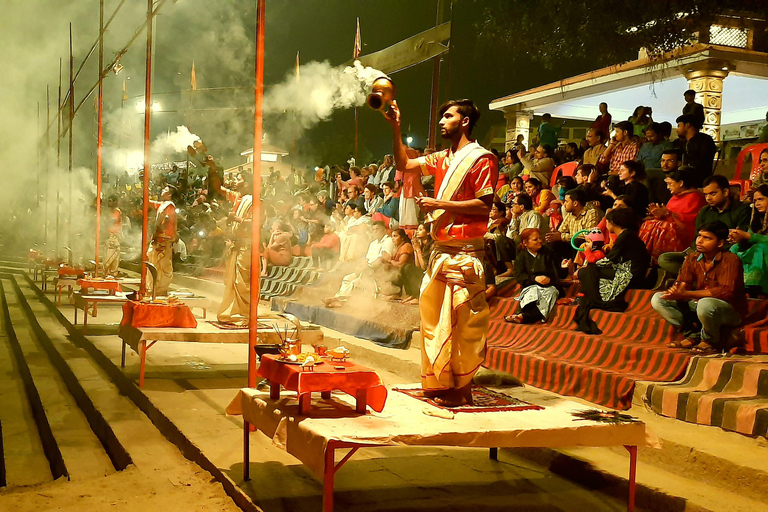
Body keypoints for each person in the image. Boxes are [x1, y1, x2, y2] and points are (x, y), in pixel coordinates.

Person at [383, 97, 497, 407]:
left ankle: (461, 386)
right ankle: (439, 382)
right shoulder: (443, 158)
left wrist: (439, 204)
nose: (442, 121)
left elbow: (484, 205)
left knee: (463, 325)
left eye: (448, 116)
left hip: (466, 256)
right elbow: (404, 165)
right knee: (435, 321)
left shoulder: (481, 159)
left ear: (465, 122)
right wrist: (395, 127)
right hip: (442, 253)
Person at [653, 221, 745, 354]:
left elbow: (725, 292)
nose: (700, 241)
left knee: (705, 303)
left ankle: (710, 341)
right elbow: (683, 283)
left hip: (727, 311)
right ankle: (692, 335)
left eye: (707, 238)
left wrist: (686, 293)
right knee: (658, 299)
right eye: (699, 236)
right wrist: (676, 290)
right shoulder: (692, 258)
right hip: (699, 305)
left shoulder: (730, 260)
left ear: (720, 243)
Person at [572, 208, 650, 334]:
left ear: (612, 222)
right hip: (624, 269)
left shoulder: (625, 236)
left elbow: (609, 260)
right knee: (589, 270)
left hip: (629, 273)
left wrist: (588, 256)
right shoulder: (627, 235)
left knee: (586, 272)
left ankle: (596, 300)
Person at [658, 175, 751, 275]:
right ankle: (698, 276)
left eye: (713, 194)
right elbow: (696, 237)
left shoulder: (742, 209)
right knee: (665, 259)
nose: (708, 198)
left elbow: (739, 239)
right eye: (706, 195)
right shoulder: (705, 211)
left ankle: (698, 277)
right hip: (701, 254)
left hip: (725, 255)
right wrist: (696, 253)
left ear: (725, 192)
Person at [640, 169, 707, 264]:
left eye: (670, 184)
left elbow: (690, 219)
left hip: (685, 231)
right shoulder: (675, 197)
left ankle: (658, 259)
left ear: (681, 183)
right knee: (649, 224)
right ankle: (647, 258)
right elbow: (667, 214)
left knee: (664, 227)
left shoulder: (695, 196)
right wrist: (658, 214)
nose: (668, 187)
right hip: (673, 224)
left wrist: (667, 214)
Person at [504, 228, 561, 324]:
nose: (539, 241)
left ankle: (522, 316)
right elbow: (519, 276)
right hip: (530, 285)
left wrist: (563, 267)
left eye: (540, 238)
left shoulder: (548, 253)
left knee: (549, 294)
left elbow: (557, 272)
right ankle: (522, 315)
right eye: (535, 239)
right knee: (532, 294)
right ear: (525, 243)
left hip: (549, 286)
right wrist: (534, 279)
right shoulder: (521, 257)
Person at [217, 181, 254, 323]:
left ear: (247, 183)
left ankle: (243, 311)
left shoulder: (255, 201)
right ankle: (234, 310)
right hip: (237, 245)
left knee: (241, 281)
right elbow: (217, 188)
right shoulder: (238, 197)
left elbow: (256, 222)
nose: (234, 182)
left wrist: (235, 218)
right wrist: (213, 169)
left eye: (239, 178)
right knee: (232, 280)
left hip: (247, 246)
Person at [729, 184, 768, 296]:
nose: (757, 204)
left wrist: (748, 237)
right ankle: (734, 285)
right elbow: (750, 235)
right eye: (755, 201)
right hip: (757, 246)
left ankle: (755, 289)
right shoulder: (756, 218)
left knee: (761, 248)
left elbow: (753, 237)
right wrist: (738, 238)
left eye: (761, 199)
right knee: (735, 248)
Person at [146, 185, 178, 296]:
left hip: (164, 239)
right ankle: (154, 288)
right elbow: (148, 202)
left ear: (169, 194)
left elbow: (166, 220)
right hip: (159, 238)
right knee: (154, 262)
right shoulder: (162, 205)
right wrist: (145, 189)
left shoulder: (169, 206)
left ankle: (161, 289)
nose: (162, 190)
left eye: (165, 190)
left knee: (164, 265)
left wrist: (157, 231)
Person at [676, 113, 717, 187]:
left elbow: (704, 162)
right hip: (685, 172)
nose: (677, 129)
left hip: (699, 176)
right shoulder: (682, 142)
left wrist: (687, 165)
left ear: (687, 125)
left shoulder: (705, 140)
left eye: (679, 125)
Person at [384, 228, 423, 302]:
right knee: (385, 266)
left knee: (402, 268)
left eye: (395, 236)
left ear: (402, 238)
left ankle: (409, 295)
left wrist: (390, 260)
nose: (393, 239)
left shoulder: (406, 246)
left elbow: (401, 264)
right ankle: (392, 293)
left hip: (409, 271)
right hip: (403, 271)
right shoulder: (398, 247)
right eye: (392, 236)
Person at [485, 201, 515, 278]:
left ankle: (497, 268)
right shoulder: (488, 221)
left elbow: (500, 237)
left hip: (501, 245)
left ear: (501, 212)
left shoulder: (502, 221)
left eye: (494, 209)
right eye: (490, 209)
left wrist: (486, 235)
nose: (491, 211)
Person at [103, 195, 122, 275]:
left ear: (115, 202)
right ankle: (108, 274)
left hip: (114, 237)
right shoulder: (109, 212)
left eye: (110, 201)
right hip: (109, 236)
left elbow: (112, 221)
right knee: (107, 258)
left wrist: (105, 219)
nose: (108, 202)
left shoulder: (116, 211)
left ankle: (112, 274)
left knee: (111, 258)